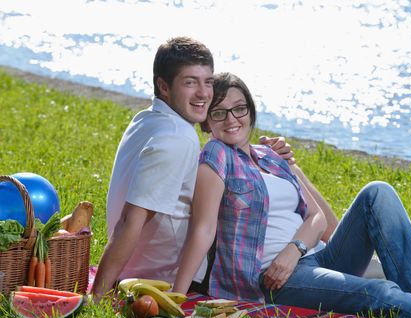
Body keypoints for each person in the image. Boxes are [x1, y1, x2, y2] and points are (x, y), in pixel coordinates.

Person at [172, 72, 411, 318]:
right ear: (207, 121)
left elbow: (317, 218)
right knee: (379, 290)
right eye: (219, 113)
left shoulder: (269, 156)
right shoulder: (216, 155)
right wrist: (175, 299)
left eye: (239, 108)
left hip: (309, 258)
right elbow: (203, 230)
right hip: (273, 279)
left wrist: (294, 246)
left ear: (251, 110)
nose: (232, 119)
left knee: (377, 191)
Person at [91, 37, 293, 301]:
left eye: (207, 81)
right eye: (190, 82)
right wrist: (97, 296)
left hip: (140, 269)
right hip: (171, 279)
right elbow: (130, 221)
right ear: (163, 86)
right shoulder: (177, 138)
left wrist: (261, 152)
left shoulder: (147, 119)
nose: (204, 93)